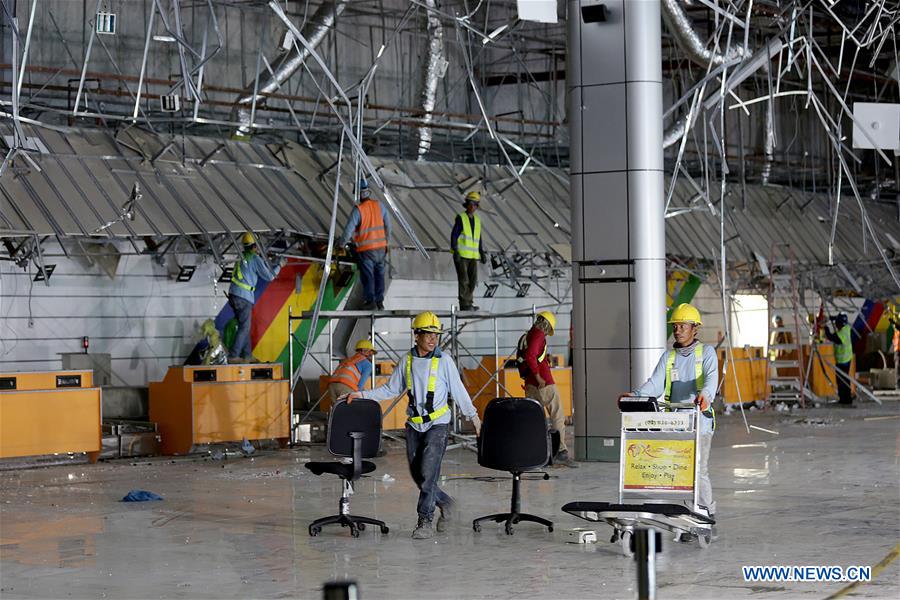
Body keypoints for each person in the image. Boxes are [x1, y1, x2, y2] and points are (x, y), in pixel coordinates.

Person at [344, 311, 482, 539]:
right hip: (414, 426)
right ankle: (446, 503)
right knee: (419, 476)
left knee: (428, 474)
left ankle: (424, 521)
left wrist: (475, 419)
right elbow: (390, 389)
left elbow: (460, 392)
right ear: (416, 335)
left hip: (438, 424)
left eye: (436, 335)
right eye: (428, 334)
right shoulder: (406, 361)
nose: (433, 339)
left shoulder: (444, 361)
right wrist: (360, 394)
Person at [630, 303, 718, 526]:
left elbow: (711, 380)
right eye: (675, 326)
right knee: (679, 471)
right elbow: (655, 384)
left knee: (699, 470)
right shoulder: (668, 357)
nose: (677, 330)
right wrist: (635, 395)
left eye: (682, 326)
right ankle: (688, 514)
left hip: (700, 422)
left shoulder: (706, 353)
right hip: (675, 423)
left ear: (694, 328)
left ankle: (707, 512)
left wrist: (705, 395)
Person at [516, 311, 577, 468]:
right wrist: (539, 377)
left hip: (530, 384)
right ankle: (560, 452)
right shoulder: (538, 335)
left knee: (536, 420)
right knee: (558, 415)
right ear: (547, 325)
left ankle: (536, 453)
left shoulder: (528, 334)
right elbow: (530, 356)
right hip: (543, 383)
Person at [339, 180, 391, 310]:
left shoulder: (359, 210)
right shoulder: (380, 205)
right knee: (380, 274)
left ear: (358, 194)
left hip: (367, 251)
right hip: (381, 249)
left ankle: (370, 302)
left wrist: (341, 244)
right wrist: (386, 241)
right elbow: (388, 225)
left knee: (368, 276)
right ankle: (380, 302)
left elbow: (348, 231)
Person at [228, 232, 278, 362]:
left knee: (245, 326)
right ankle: (233, 355)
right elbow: (270, 276)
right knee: (245, 327)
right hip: (244, 297)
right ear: (255, 246)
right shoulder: (255, 259)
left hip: (234, 295)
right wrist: (280, 265)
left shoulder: (241, 257)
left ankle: (247, 355)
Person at [450, 191, 486, 311]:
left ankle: (469, 302)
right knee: (464, 279)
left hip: (473, 256)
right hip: (462, 255)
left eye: (475, 204)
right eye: (471, 203)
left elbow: (478, 237)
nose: (472, 206)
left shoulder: (477, 220)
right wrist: (455, 251)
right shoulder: (461, 218)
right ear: (467, 204)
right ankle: (465, 304)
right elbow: (454, 235)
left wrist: (481, 252)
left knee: (472, 280)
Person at [328, 339, 377, 403]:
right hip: (345, 387)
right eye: (371, 352)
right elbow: (360, 386)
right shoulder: (367, 364)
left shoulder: (348, 360)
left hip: (331, 386)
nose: (371, 355)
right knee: (350, 411)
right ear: (365, 351)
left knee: (337, 411)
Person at [824, 313, 854, 405]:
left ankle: (846, 399)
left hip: (843, 361)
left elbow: (831, 337)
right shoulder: (846, 328)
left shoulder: (841, 334)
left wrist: (825, 328)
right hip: (846, 359)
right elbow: (838, 319)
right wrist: (830, 318)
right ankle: (845, 398)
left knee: (842, 381)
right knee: (844, 380)